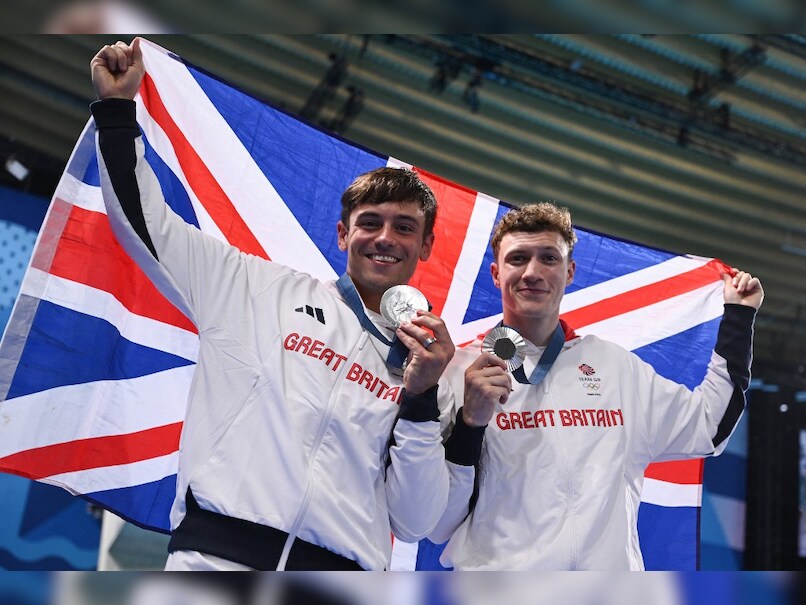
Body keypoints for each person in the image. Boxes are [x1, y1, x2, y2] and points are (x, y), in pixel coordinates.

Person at [89, 38, 455, 571]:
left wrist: (421, 399)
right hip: (215, 558)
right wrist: (119, 112)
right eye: (369, 223)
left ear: (424, 247)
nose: (385, 238)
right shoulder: (254, 288)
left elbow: (416, 520)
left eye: (405, 228)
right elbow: (151, 229)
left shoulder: (426, 366)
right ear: (341, 234)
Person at [430, 202, 763, 570]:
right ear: (496, 273)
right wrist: (468, 424)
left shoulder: (614, 367)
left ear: (570, 271)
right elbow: (436, 522)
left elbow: (708, 427)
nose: (532, 272)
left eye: (549, 258)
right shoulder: (460, 371)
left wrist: (739, 318)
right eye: (518, 259)